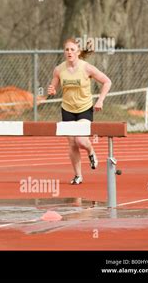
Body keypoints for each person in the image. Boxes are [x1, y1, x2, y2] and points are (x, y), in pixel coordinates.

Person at [47, 38, 112, 185]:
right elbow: (53, 87)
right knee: (72, 144)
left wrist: (100, 100)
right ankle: (78, 176)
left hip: (84, 109)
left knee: (81, 140)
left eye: (72, 49)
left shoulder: (86, 68)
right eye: (67, 50)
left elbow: (107, 81)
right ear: (64, 52)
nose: (69, 52)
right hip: (67, 109)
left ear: (78, 52)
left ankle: (90, 152)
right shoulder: (59, 69)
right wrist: (51, 89)